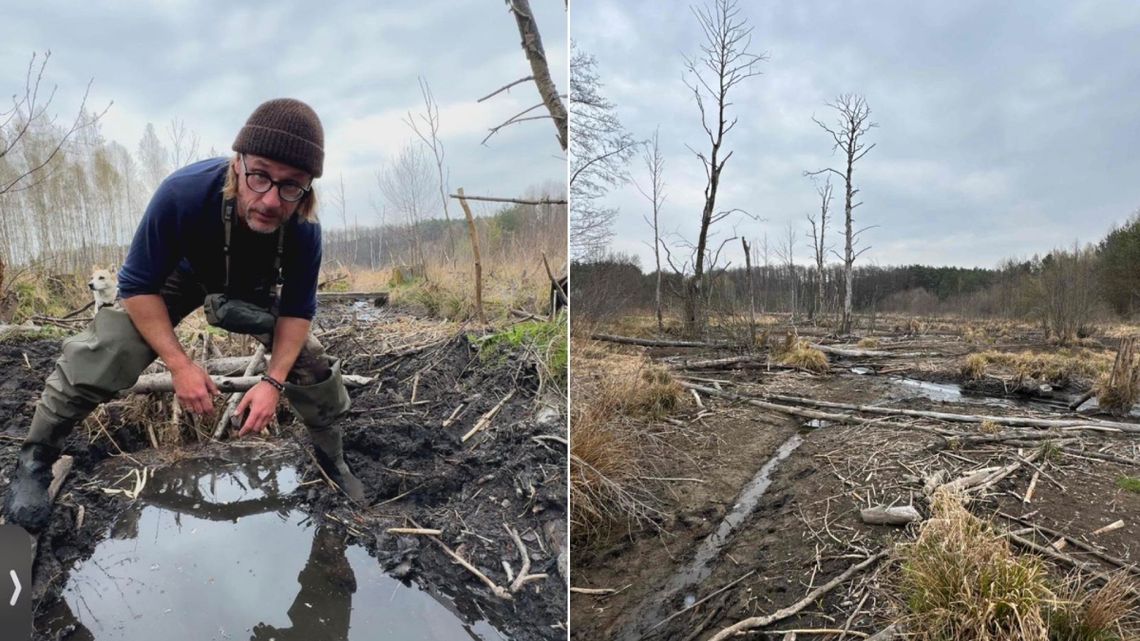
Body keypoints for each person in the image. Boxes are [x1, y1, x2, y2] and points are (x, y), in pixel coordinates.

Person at [3, 98, 365, 533]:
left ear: (307, 187)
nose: (271, 199)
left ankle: (333, 459)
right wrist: (180, 365)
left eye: (291, 186)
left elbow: (297, 312)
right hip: (185, 274)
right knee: (109, 346)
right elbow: (137, 286)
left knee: (309, 362)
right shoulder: (185, 192)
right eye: (260, 176)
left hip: (253, 290)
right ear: (238, 163)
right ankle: (35, 459)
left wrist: (272, 382)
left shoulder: (304, 228)